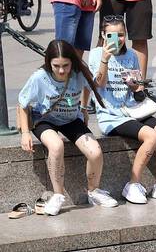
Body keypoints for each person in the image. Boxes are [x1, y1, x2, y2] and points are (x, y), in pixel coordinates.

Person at [87, 16, 156, 204]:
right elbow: (98, 84)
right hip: (111, 115)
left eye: (121, 35)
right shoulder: (96, 54)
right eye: (111, 35)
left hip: (133, 110)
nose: (117, 39)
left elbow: (138, 89)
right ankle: (133, 184)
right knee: (152, 136)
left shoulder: (131, 55)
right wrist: (105, 60)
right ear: (102, 35)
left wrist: (135, 86)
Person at [17, 40, 115, 215]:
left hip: (71, 119)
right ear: (49, 63)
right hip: (44, 119)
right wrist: (25, 133)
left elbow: (94, 85)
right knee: (56, 146)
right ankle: (58, 195)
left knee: (95, 152)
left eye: (65, 65)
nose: (61, 70)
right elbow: (22, 104)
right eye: (56, 66)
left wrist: (84, 108)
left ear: (72, 62)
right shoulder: (39, 77)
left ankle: (94, 191)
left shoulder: (79, 73)